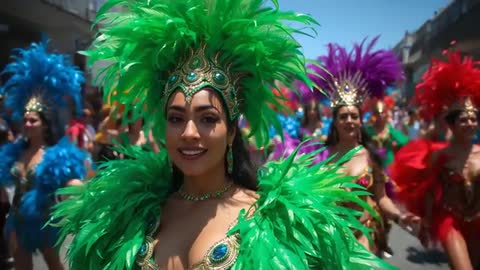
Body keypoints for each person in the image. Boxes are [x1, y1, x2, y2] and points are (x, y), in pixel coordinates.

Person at [51, 1, 394, 269]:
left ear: (231, 132)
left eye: (207, 118)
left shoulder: (273, 219)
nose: (188, 133)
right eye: (175, 117)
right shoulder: (134, 214)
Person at [309, 37, 419, 255]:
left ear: (360, 120)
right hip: (334, 237)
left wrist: (399, 216)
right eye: (343, 117)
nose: (349, 120)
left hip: (365, 233)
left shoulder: (370, 157)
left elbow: (381, 198)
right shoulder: (322, 156)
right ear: (335, 121)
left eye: (353, 116)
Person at [0, 40, 88, 270]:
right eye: (25, 119)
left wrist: (76, 188)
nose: (27, 123)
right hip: (17, 221)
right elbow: (7, 182)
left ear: (45, 124)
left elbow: (71, 181)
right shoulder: (15, 151)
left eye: (33, 120)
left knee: (54, 264)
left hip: (44, 222)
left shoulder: (55, 156)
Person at [391, 51, 480, 270]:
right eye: (463, 120)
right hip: (450, 222)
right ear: (452, 124)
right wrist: (425, 222)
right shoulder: (440, 156)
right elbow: (428, 191)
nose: (470, 124)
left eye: (473, 119)